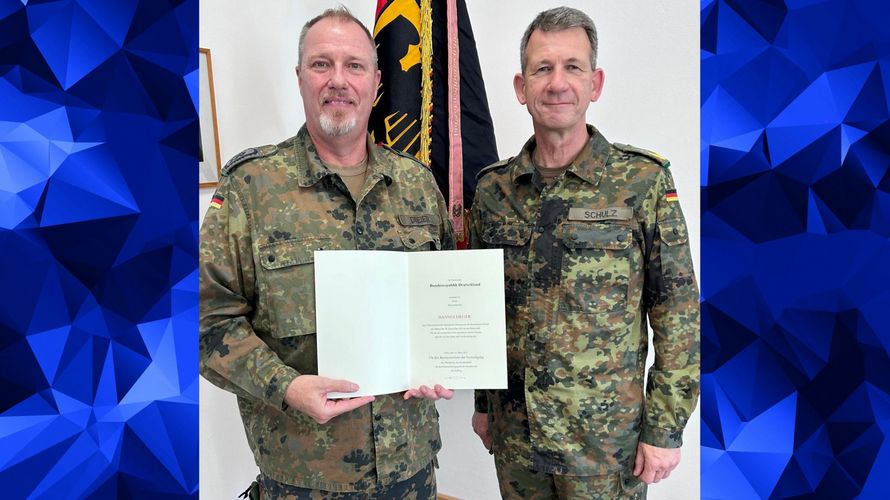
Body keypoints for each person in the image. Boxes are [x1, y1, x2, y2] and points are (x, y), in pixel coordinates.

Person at [199, 7, 454, 499]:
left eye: (354, 66)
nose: (339, 80)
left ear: (377, 81)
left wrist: (440, 361)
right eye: (322, 64)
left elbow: (439, 302)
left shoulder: (417, 185)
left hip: (412, 469)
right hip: (303, 476)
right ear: (299, 77)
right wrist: (286, 387)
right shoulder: (251, 188)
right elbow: (205, 320)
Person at [469, 7, 700, 499]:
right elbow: (480, 308)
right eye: (542, 69)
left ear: (594, 84)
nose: (557, 83)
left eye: (572, 67)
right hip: (517, 440)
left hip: (603, 445)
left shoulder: (642, 182)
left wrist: (664, 427)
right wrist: (485, 404)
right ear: (520, 86)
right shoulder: (492, 190)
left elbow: (678, 311)